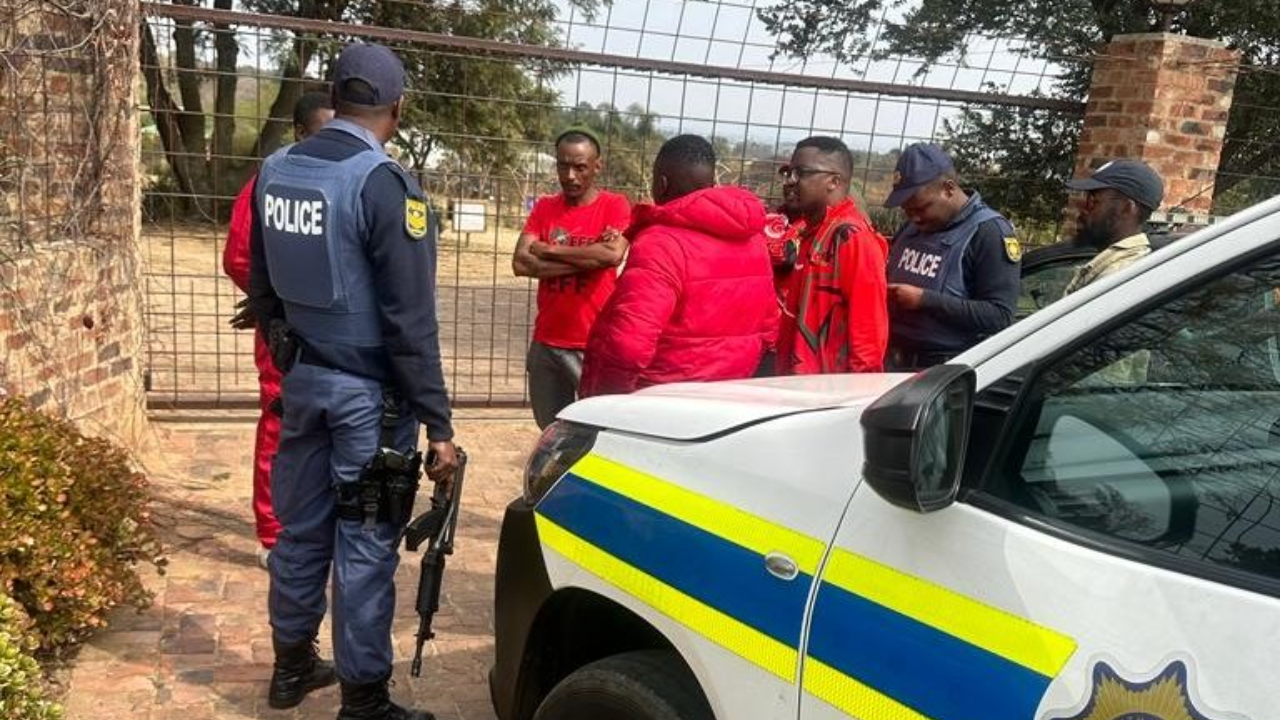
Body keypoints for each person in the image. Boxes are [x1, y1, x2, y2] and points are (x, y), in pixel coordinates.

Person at [248, 43, 457, 720]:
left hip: (302, 385)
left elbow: (261, 284)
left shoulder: (277, 169)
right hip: (369, 403)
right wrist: (440, 427)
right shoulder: (384, 184)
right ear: (396, 108)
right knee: (365, 547)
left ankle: (292, 666)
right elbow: (410, 323)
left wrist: (289, 350)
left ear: (334, 97)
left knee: (301, 531)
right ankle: (364, 701)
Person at [224, 91, 333, 569]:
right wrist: (277, 304)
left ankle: (313, 519)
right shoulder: (266, 183)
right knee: (280, 425)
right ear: (298, 133)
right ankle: (272, 533)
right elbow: (239, 258)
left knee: (329, 427)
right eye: (320, 135)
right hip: (283, 335)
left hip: (334, 336)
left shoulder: (345, 184)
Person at [578, 135, 777, 396]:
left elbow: (629, 346)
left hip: (662, 403)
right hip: (728, 400)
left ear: (661, 184)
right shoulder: (753, 240)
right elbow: (770, 328)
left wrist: (605, 403)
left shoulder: (660, 243)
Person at [512, 127, 631, 427]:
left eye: (580, 167)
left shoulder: (614, 206)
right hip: (547, 342)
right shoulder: (545, 208)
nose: (570, 176)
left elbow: (612, 256)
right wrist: (591, 259)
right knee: (550, 430)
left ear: (596, 166)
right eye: (563, 165)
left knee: (595, 430)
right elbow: (522, 263)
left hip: (592, 344)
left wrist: (548, 249)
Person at [884, 143, 1021, 371]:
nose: (914, 218)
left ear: (948, 189)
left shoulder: (989, 232)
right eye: (908, 211)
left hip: (943, 371)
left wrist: (924, 300)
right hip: (890, 361)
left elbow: (999, 316)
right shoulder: (913, 227)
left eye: (921, 208)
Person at [772, 136, 889, 375]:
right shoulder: (809, 231)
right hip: (796, 385)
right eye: (788, 173)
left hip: (828, 393)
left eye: (801, 173)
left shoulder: (852, 238)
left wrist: (856, 399)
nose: (790, 182)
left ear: (834, 181)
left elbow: (868, 334)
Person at [1062, 159, 1165, 295]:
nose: (1081, 210)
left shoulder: (1118, 278)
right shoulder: (1108, 267)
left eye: (1092, 201)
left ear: (1126, 208)